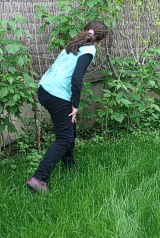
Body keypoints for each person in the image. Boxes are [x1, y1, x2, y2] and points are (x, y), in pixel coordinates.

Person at [27, 21, 108, 193]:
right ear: (102, 40)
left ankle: (69, 167)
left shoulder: (74, 44)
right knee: (64, 137)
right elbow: (77, 78)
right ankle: (39, 179)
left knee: (70, 129)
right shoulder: (89, 49)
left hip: (44, 89)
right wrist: (75, 105)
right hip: (57, 94)